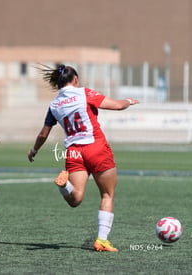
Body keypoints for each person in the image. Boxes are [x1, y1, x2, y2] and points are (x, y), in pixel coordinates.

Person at [27, 64, 139, 252]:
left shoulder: (54, 105)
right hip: (95, 147)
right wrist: (129, 100)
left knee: (75, 198)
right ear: (76, 80)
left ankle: (65, 186)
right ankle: (102, 240)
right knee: (107, 194)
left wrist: (34, 150)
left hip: (74, 152)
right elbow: (118, 106)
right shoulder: (84, 93)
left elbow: (43, 134)